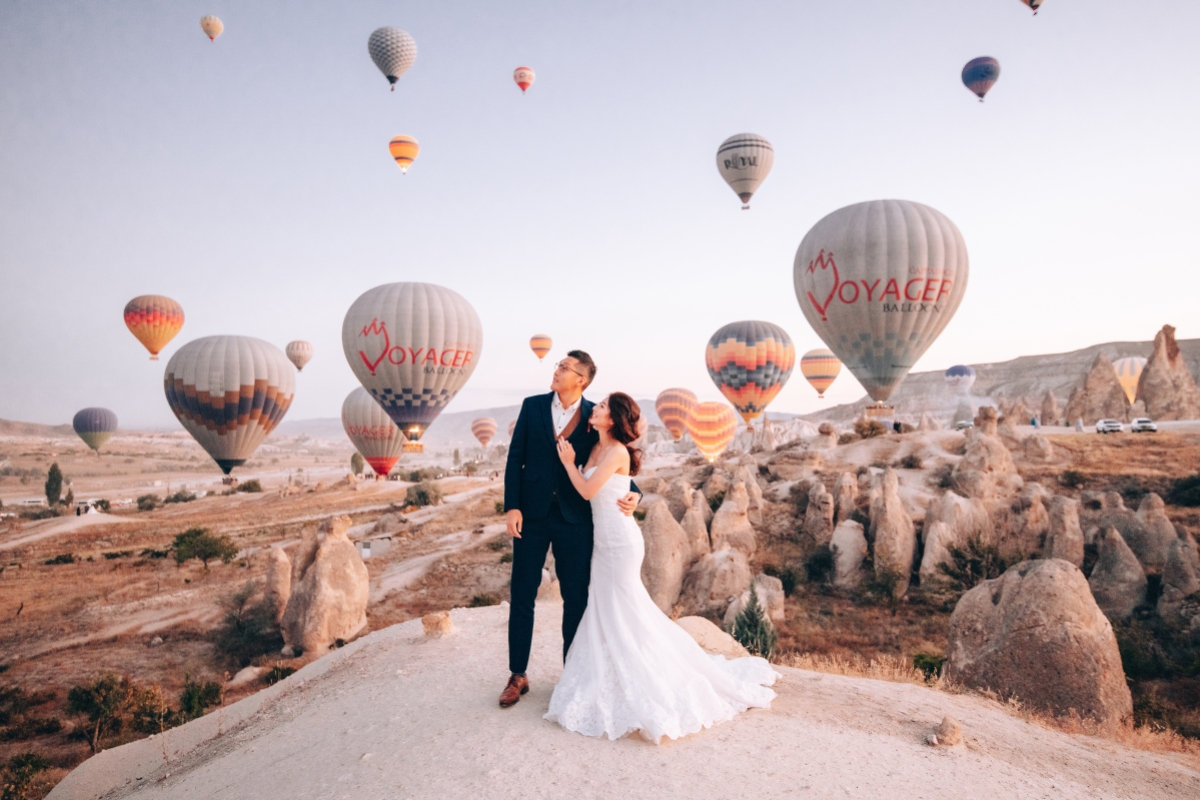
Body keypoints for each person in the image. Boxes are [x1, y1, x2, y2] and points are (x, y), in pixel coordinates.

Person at [545, 392, 777, 743]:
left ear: (613, 419)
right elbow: (611, 488)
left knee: (627, 610)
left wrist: (567, 464)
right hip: (602, 545)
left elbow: (589, 491)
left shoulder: (617, 451)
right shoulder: (595, 448)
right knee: (606, 609)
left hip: (622, 544)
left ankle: (650, 675)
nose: (596, 408)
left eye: (604, 406)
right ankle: (609, 676)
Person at [499, 351, 641, 708]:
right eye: (558, 365)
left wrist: (635, 494)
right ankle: (518, 674)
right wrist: (512, 506)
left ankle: (572, 673)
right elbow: (515, 458)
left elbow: (614, 459)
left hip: (575, 520)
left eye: (564, 368)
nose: (556, 370)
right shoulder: (531, 406)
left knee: (575, 598)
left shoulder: (596, 415)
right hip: (530, 516)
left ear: (581, 379)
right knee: (522, 593)